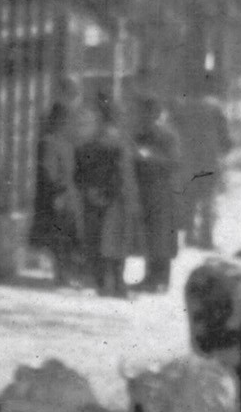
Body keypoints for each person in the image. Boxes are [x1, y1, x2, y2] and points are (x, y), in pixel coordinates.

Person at [71, 94, 135, 298]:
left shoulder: (90, 138)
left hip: (95, 194)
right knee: (115, 241)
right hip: (114, 196)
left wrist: (88, 188)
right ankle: (116, 283)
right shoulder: (117, 140)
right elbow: (121, 171)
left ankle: (103, 283)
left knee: (97, 239)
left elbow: (80, 166)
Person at [33, 99, 87, 286]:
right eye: (62, 119)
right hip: (58, 196)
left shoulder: (66, 143)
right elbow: (48, 171)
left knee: (70, 236)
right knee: (60, 237)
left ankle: (67, 273)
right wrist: (58, 191)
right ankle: (61, 274)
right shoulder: (48, 142)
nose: (65, 123)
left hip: (69, 195)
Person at [130, 97, 185, 276]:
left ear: (156, 114)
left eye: (148, 113)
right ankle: (150, 276)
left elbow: (175, 162)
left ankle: (161, 278)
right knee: (149, 234)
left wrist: (151, 158)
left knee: (162, 235)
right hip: (145, 189)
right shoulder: (138, 135)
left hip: (163, 189)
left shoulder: (167, 135)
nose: (144, 117)